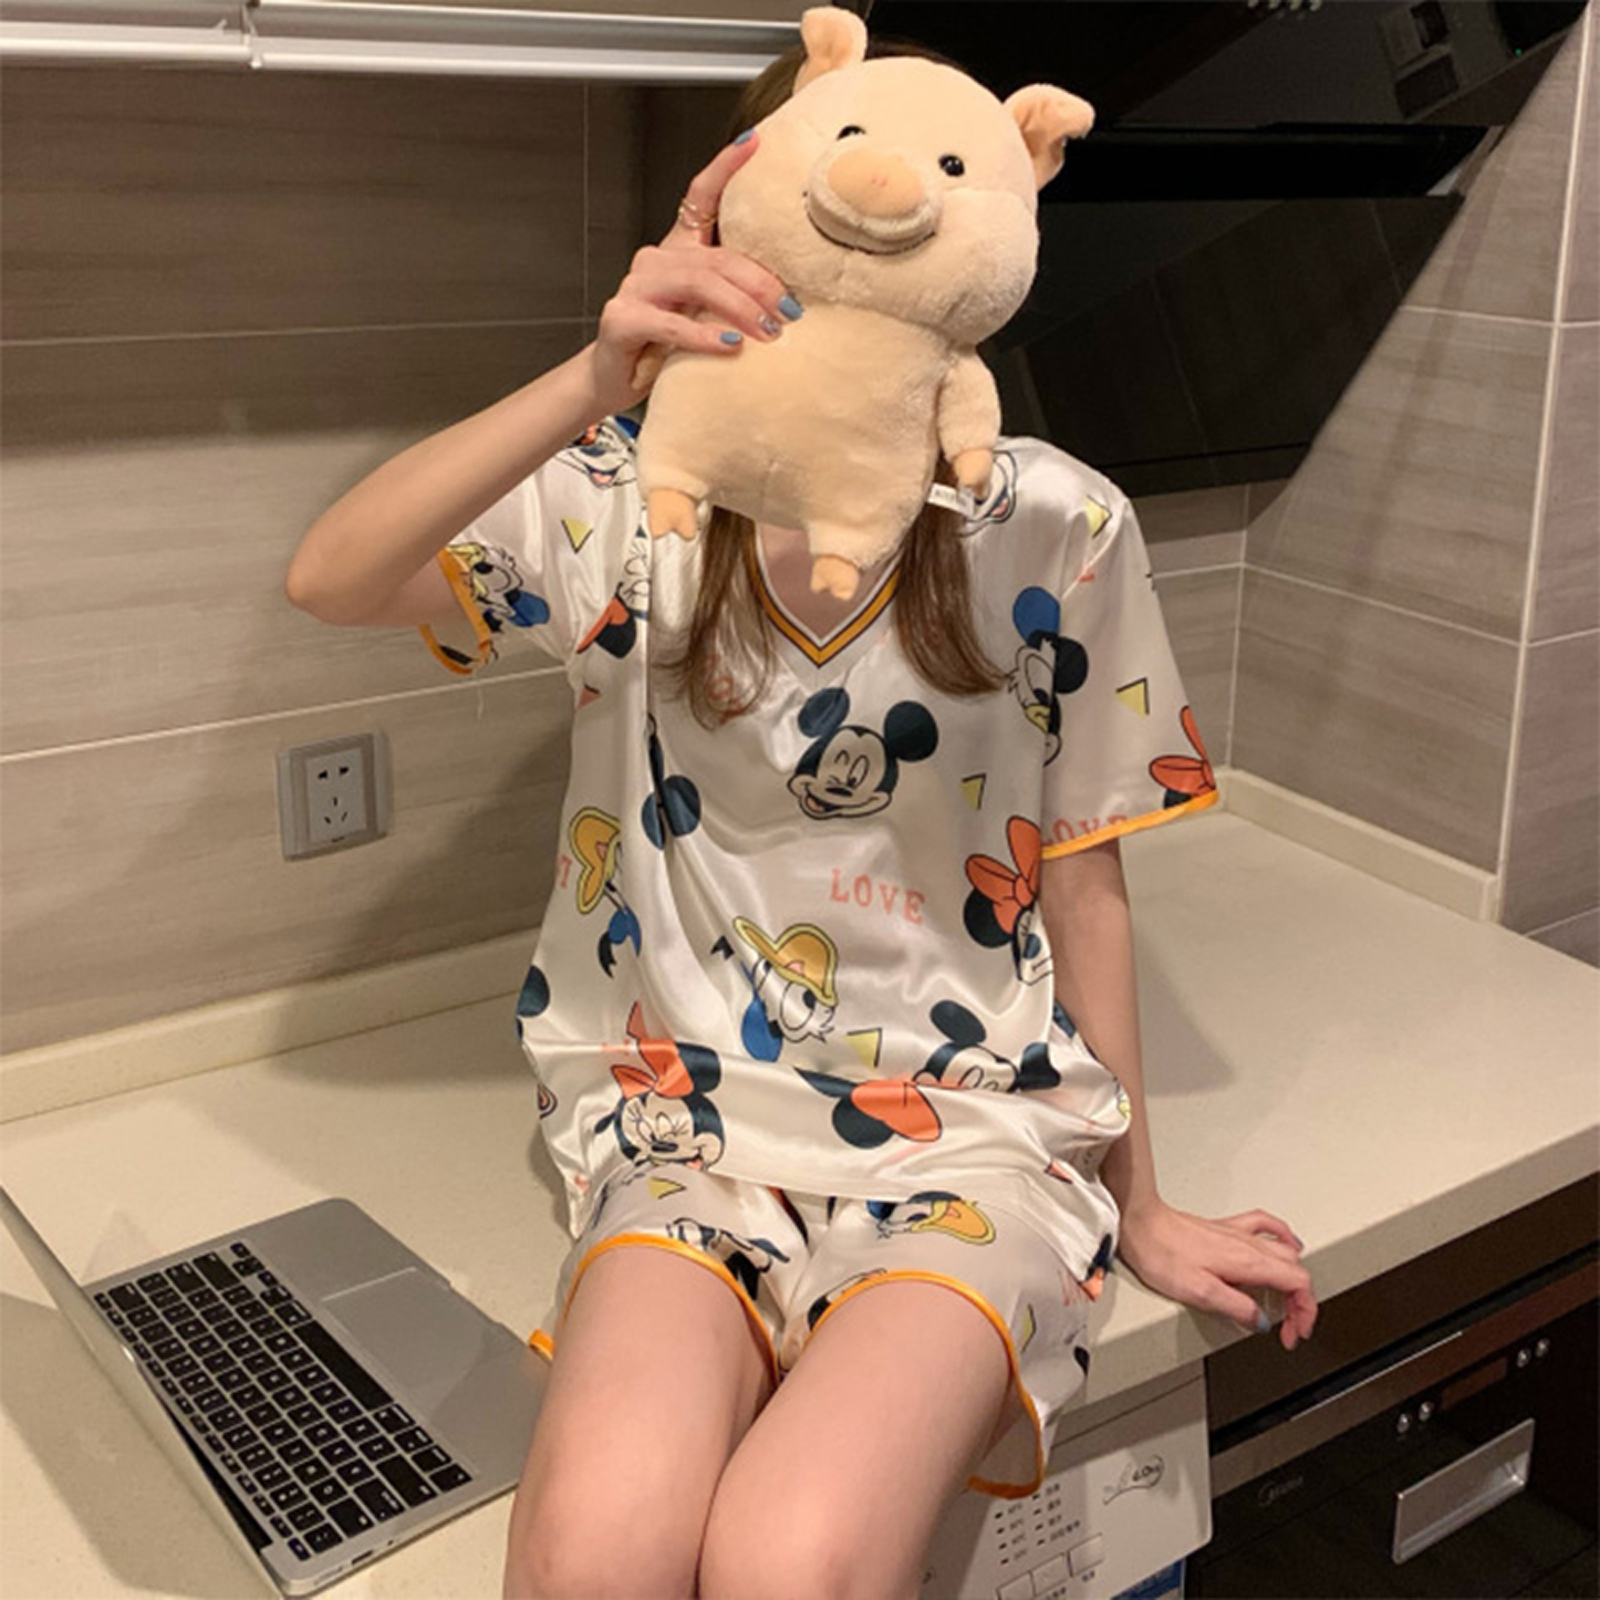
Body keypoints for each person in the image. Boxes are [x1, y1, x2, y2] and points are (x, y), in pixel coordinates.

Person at [287, 39, 1317, 1600]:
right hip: (679, 1123)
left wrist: (1141, 1202)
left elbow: (1082, 876)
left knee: (792, 1558)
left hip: (973, 1131)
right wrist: (596, 378)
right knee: (593, 1554)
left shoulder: (1051, 522)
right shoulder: (623, 503)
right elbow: (334, 577)